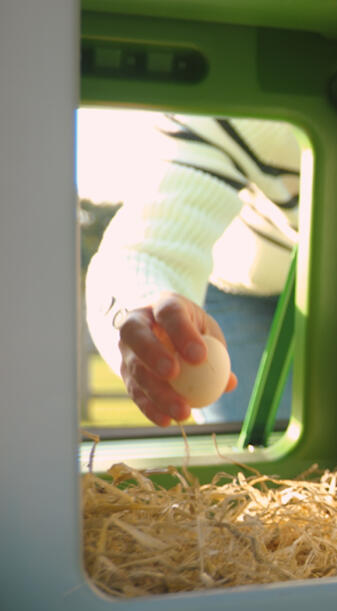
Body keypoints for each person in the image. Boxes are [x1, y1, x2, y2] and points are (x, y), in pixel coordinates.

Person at [84, 111, 301, 427]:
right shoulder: (245, 111)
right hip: (234, 294)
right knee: (251, 441)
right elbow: (141, 253)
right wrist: (147, 312)